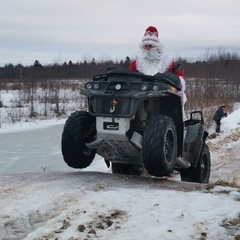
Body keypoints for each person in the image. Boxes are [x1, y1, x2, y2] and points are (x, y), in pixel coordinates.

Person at [128, 26, 187, 106]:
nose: (148, 48)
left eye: (150, 46)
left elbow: (178, 76)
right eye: (145, 46)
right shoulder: (137, 63)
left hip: (163, 98)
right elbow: (129, 75)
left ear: (156, 46)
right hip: (139, 98)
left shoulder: (167, 62)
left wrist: (178, 83)